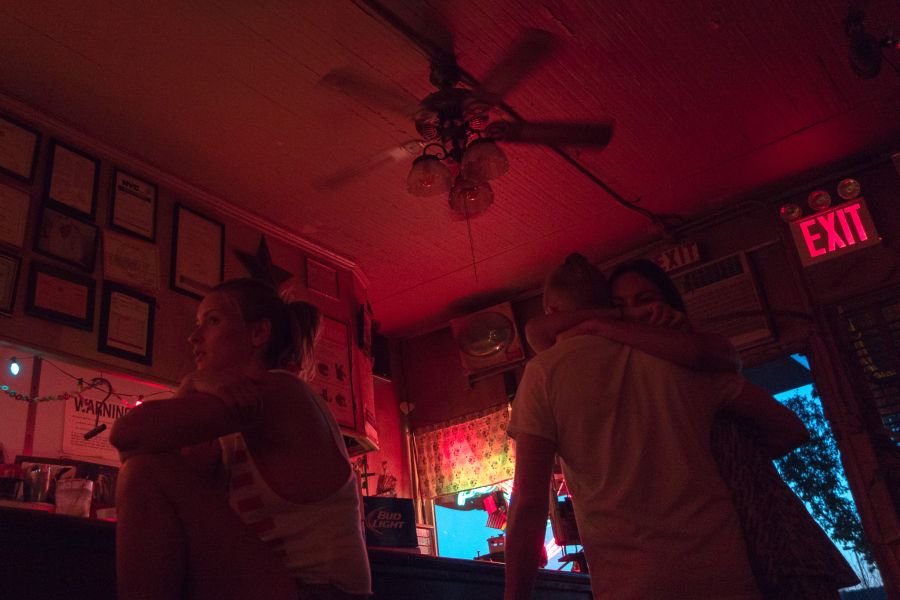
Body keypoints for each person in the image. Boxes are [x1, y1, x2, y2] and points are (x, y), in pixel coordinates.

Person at [527, 258, 859, 598]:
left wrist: (731, 466)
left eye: (645, 300)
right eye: (619, 306)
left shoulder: (690, 358)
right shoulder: (656, 364)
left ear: (671, 304)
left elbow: (788, 426)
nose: (635, 312)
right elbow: (538, 333)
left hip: (739, 539)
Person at [111, 278, 372, 600]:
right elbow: (141, 449)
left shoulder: (280, 392)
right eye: (198, 325)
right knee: (145, 469)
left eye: (213, 321)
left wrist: (192, 381)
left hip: (320, 592)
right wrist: (194, 387)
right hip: (282, 586)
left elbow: (128, 436)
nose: (194, 337)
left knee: (144, 471)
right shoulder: (230, 430)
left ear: (258, 334)